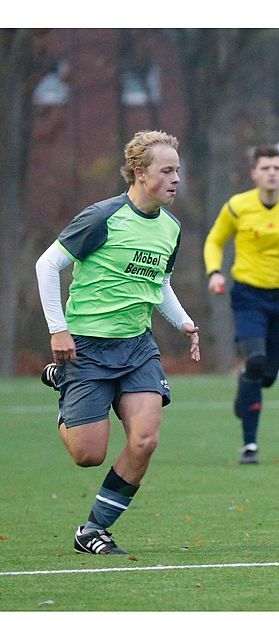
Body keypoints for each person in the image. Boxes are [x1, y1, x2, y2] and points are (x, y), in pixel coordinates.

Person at [35, 130, 200, 555]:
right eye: (167, 171)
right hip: (86, 347)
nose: (176, 179)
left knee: (145, 439)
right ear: (140, 174)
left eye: (178, 171)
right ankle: (63, 382)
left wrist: (182, 321)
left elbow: (160, 283)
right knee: (87, 455)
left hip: (137, 348)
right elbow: (47, 264)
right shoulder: (101, 217)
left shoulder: (171, 228)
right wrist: (58, 329)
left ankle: (93, 530)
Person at [204, 145, 279, 464]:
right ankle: (250, 446)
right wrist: (215, 272)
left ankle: (245, 391)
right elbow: (215, 240)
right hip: (248, 295)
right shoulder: (237, 207)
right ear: (254, 173)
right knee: (256, 361)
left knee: (266, 376)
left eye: (277, 167)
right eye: (266, 168)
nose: (272, 173)